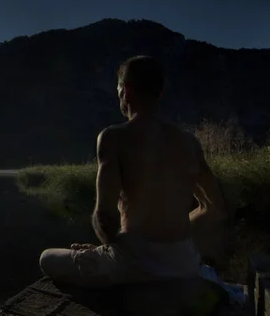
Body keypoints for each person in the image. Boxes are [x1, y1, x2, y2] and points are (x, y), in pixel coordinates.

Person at [39, 55, 227, 287]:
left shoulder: (113, 138)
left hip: (136, 266)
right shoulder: (189, 143)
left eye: (118, 89)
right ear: (159, 94)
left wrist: (114, 248)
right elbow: (215, 208)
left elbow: (104, 218)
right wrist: (170, 238)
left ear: (126, 90)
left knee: (47, 258)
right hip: (184, 263)